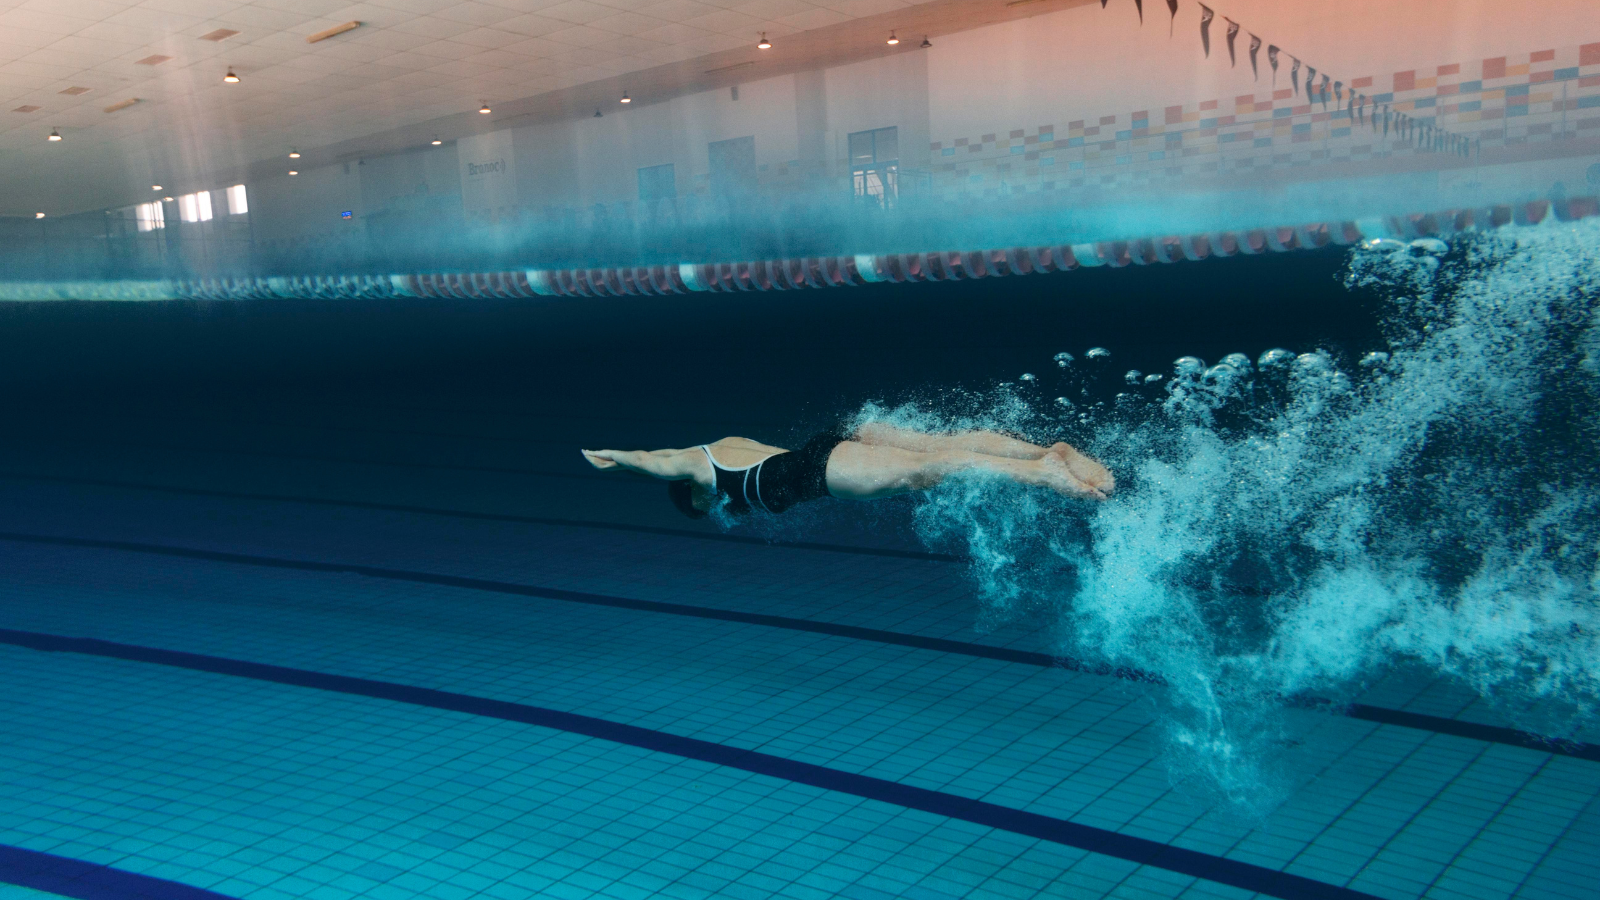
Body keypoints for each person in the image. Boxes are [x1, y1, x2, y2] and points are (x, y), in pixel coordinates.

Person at [581, 422, 1113, 519]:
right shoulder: (728, 442)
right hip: (831, 447)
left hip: (826, 469)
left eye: (700, 509)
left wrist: (612, 459)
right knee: (940, 446)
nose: (710, 508)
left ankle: (1044, 471)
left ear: (691, 497)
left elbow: (657, 462)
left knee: (929, 470)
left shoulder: (698, 470)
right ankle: (1048, 450)